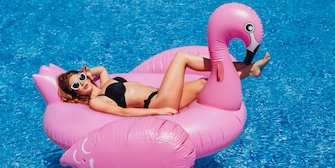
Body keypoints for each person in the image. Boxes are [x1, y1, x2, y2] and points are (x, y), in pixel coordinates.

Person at [57, 51, 270, 116]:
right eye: (76, 86)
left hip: (161, 94)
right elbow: (124, 114)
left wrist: (88, 72)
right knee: (181, 58)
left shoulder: (104, 83)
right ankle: (238, 64)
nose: (82, 83)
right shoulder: (97, 100)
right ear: (74, 94)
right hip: (157, 102)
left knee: (204, 84)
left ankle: (250, 70)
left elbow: (102, 69)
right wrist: (158, 112)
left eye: (81, 78)